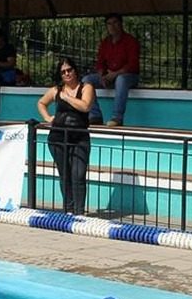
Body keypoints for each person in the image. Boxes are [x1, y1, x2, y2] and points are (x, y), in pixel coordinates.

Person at [37, 57, 95, 216]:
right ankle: (68, 210)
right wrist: (48, 118)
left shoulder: (86, 87)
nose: (67, 73)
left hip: (79, 136)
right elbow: (41, 103)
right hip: (58, 137)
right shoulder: (56, 90)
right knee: (65, 174)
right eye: (63, 72)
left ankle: (79, 212)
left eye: (69, 70)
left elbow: (85, 106)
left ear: (75, 70)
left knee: (78, 174)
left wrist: (67, 97)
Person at [82, 14, 140, 127]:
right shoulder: (105, 43)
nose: (112, 26)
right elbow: (100, 63)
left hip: (128, 76)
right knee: (86, 79)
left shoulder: (130, 41)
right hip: (109, 75)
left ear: (121, 24)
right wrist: (102, 75)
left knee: (121, 79)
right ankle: (95, 115)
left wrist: (115, 74)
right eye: (109, 24)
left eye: (115, 23)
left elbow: (132, 64)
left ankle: (117, 118)